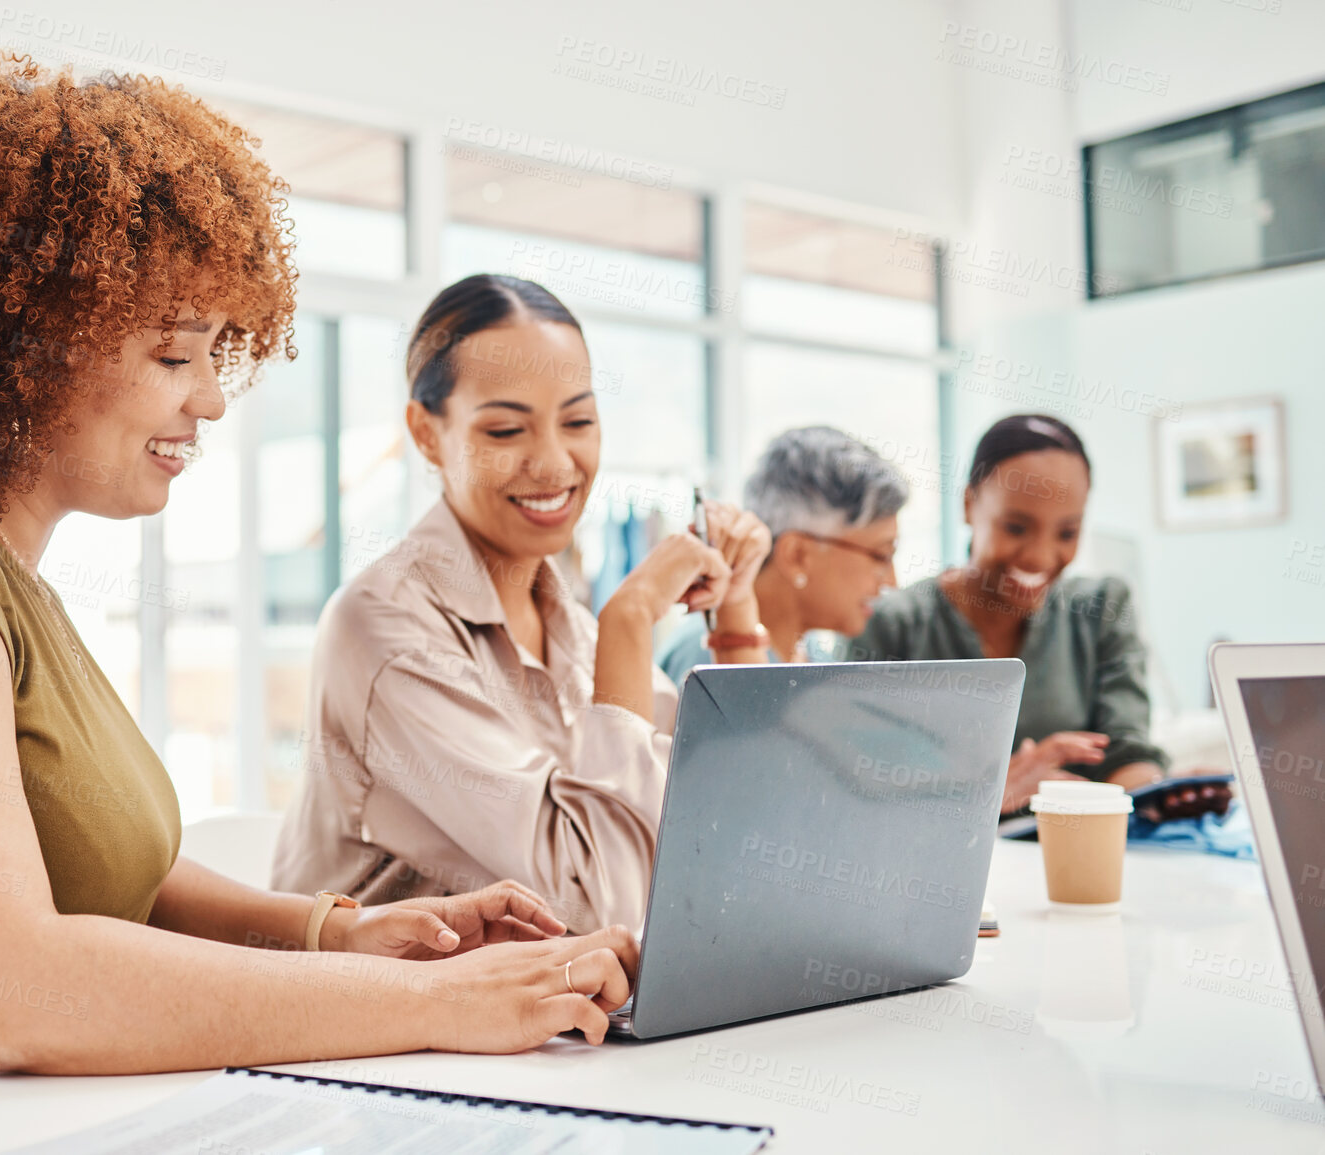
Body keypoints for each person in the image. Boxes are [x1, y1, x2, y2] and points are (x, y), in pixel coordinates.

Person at [0, 61, 639, 1155]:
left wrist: (343, 935)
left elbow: (90, 862)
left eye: (217, 353)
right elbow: (10, 991)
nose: (212, 396)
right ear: (13, 345)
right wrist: (445, 1006)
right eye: (174, 353)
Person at [271, 274, 772, 933]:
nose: (553, 461)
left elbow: (745, 808)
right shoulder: (386, 627)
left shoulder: (560, 620)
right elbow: (600, 906)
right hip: (379, 1027)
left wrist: (734, 613)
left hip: (533, 1020)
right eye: (506, 430)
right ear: (426, 433)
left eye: (578, 421)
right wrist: (628, 620)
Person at [843, 414, 1170, 815]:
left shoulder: (1102, 609)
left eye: (1067, 533)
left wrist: (1162, 797)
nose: (1039, 557)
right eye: (1015, 527)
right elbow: (858, 786)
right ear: (969, 505)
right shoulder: (894, 624)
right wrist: (991, 792)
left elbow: (1126, 753)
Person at [657, 426, 907, 681]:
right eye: (881, 556)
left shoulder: (812, 656)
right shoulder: (708, 661)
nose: (892, 583)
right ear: (797, 555)